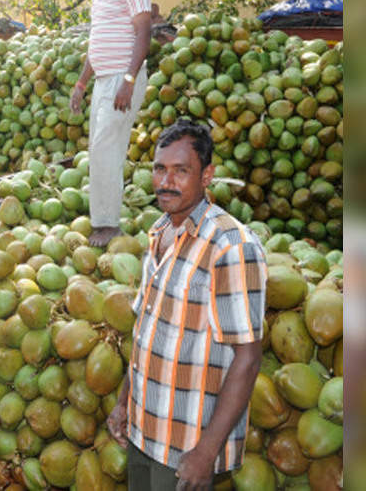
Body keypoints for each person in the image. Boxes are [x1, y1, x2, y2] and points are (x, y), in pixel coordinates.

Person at [105, 120, 266, 491]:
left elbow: (249, 357)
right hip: (144, 430)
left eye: (181, 171)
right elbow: (146, 330)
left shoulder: (231, 246)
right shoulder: (160, 232)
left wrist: (206, 453)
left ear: (207, 175)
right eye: (160, 169)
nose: (166, 181)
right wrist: (123, 402)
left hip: (186, 447)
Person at [69, 0, 153, 248]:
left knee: (105, 149)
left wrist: (129, 80)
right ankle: (103, 220)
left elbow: (143, 32)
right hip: (104, 80)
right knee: (100, 150)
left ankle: (107, 225)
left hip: (123, 78)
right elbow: (97, 42)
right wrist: (81, 83)